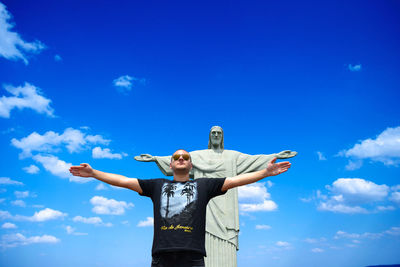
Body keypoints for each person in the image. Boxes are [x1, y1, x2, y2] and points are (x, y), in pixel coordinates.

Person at [70, 149, 291, 267]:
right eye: (177, 157)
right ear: (171, 164)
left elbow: (234, 181)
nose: (182, 159)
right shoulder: (156, 185)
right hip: (162, 256)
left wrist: (265, 173)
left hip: (193, 256)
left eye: (186, 157)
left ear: (191, 165)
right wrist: (94, 173)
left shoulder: (204, 185)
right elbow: (124, 181)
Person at [134, 126, 297, 267]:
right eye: (213, 133)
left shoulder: (233, 156)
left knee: (225, 238)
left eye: (219, 133)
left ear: (222, 137)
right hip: (200, 203)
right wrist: (155, 159)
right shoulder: (197, 156)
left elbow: (253, 160)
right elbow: (178, 159)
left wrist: (275, 156)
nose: (216, 136)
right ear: (210, 137)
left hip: (226, 204)